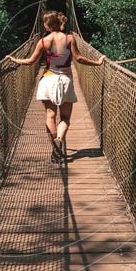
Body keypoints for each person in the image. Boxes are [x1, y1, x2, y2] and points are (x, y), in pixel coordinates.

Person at [7, 10, 105, 162]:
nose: (43, 25)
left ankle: (55, 148)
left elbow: (31, 61)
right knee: (65, 118)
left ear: (49, 24)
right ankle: (59, 138)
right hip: (65, 80)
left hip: (48, 80)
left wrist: (14, 60)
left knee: (50, 116)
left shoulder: (43, 41)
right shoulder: (69, 38)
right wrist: (97, 62)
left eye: (44, 23)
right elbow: (79, 58)